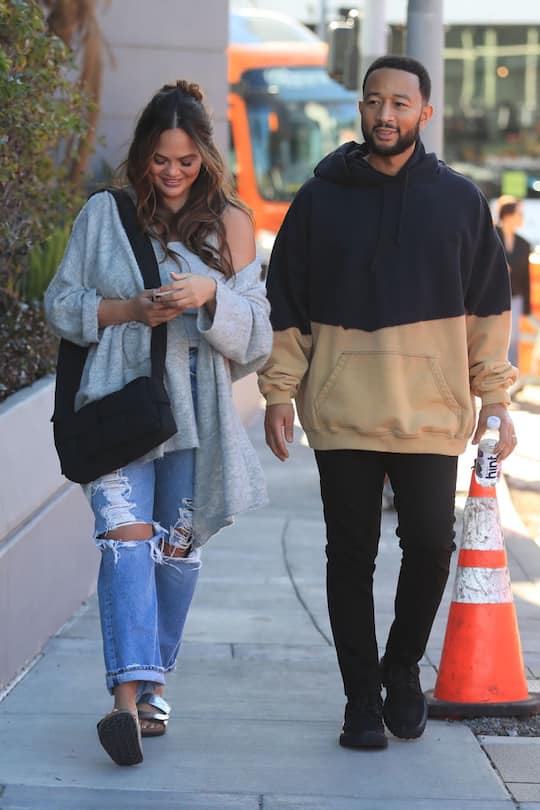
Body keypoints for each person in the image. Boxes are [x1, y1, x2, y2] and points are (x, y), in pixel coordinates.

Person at [258, 55, 518, 751]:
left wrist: (495, 400)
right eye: (374, 101)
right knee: (349, 555)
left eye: (400, 103)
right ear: (362, 110)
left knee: (432, 544)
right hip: (343, 412)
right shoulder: (318, 198)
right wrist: (280, 391)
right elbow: (287, 301)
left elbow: (489, 311)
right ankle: (359, 702)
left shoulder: (461, 201)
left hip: (430, 415)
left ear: (423, 114)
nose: (385, 114)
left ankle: (401, 668)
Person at [45, 80, 272, 766]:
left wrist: (209, 296)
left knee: (176, 555)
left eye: (186, 161)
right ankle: (124, 702)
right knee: (122, 543)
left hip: (195, 418)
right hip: (119, 406)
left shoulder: (231, 225)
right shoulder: (103, 216)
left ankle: (151, 685)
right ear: (143, 154)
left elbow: (260, 336)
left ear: (205, 157)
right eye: (160, 160)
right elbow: (61, 304)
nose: (172, 174)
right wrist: (129, 310)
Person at [495, 198, 531, 368]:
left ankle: (511, 379)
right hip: (491, 297)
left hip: (515, 297)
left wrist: (527, 308)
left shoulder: (524, 244)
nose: (522, 217)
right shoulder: (490, 236)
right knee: (492, 338)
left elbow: (526, 278)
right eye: (519, 213)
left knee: (513, 338)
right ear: (508, 215)